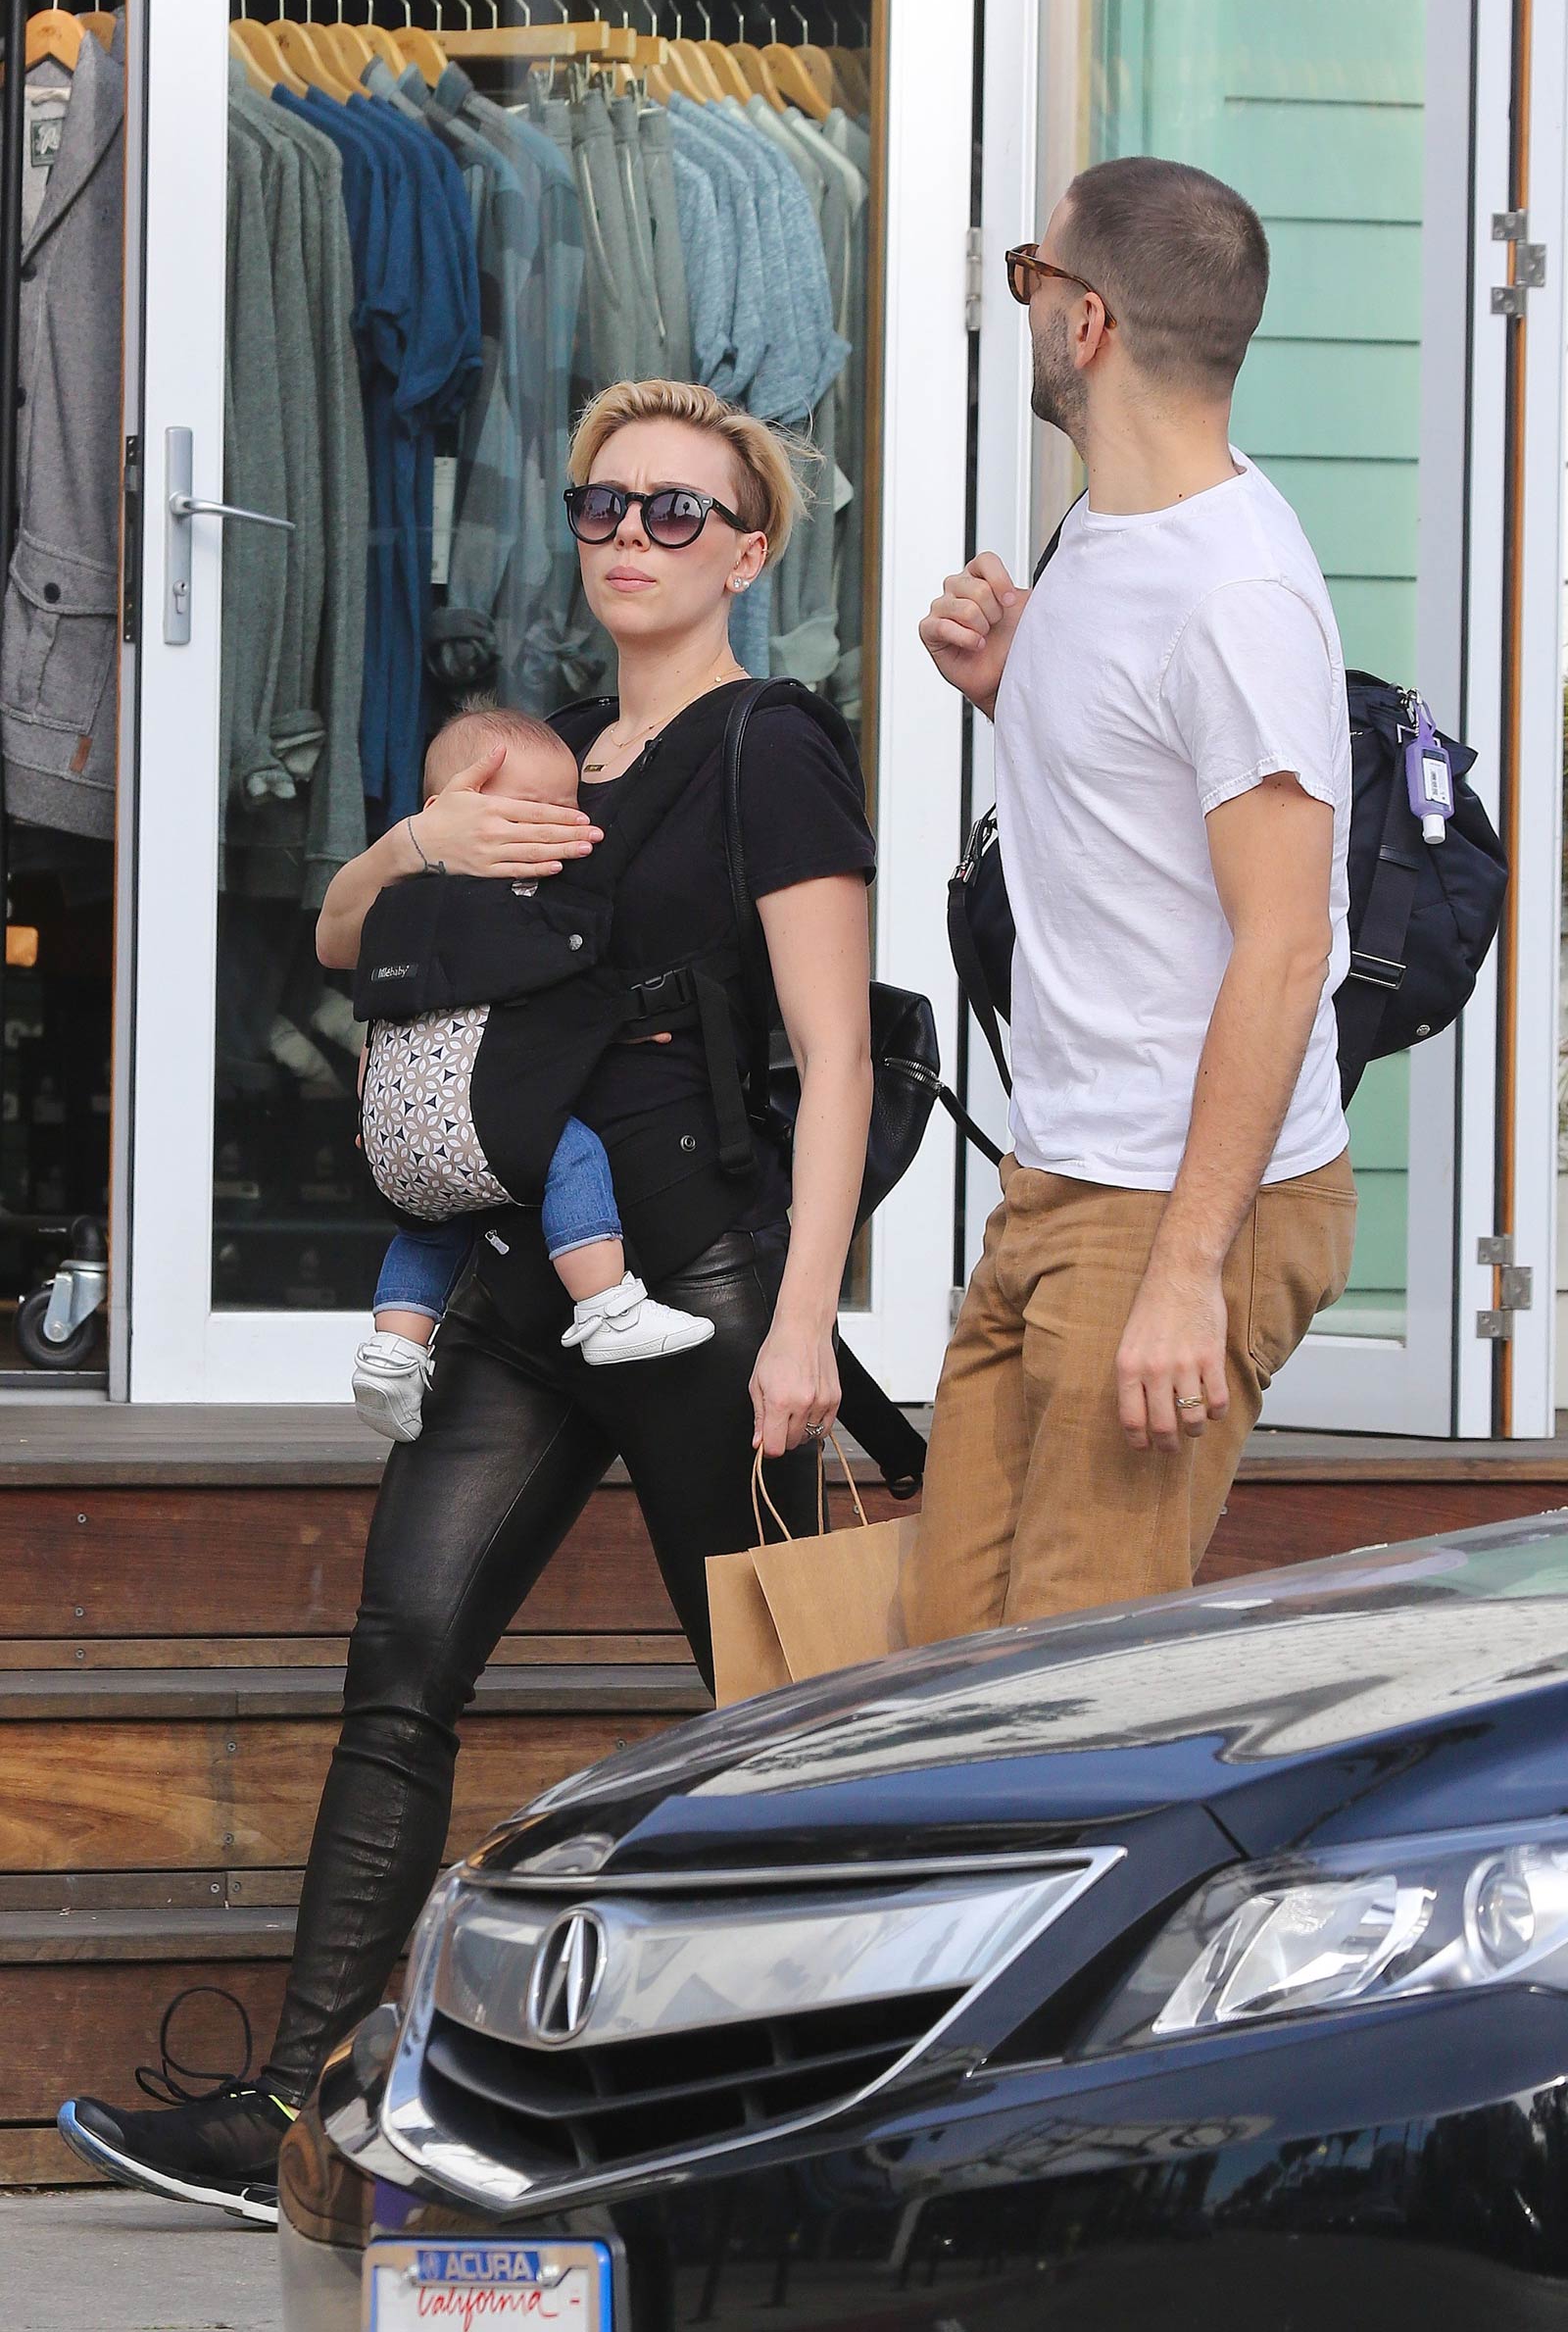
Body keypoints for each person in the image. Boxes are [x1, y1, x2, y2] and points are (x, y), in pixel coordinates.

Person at [60, 378, 876, 2219]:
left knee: (774, 1694)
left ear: (752, 549)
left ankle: (844, 2109)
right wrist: (420, 843)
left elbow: (835, 1058)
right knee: (398, 1670)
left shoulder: (771, 746)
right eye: (602, 505)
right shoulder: (542, 756)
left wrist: (808, 1317)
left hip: (699, 1287)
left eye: (679, 513)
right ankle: (292, 2115)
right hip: (516, 1281)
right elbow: (352, 938)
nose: (630, 539)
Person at [903, 155, 1357, 1645]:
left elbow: (1286, 949)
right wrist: (1018, 689)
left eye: (1032, 275)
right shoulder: (1107, 533)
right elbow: (1138, 808)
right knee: (938, 1677)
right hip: (1062, 1176)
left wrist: (1184, 1280)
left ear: (1085, 321)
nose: (1021, 298)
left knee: (1051, 1710)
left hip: (1175, 1207)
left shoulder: (1235, 596)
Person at [351, 704, 715, 1446]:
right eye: (533, 811)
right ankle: (608, 1305)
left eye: (569, 807)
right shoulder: (511, 897)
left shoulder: (397, 904)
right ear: (449, 814)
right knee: (568, 1154)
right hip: (477, 1117)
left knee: (432, 1227)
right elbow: (569, 979)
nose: (562, 826)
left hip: (391, 1131)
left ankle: (392, 1351)